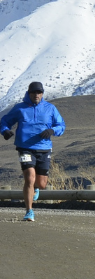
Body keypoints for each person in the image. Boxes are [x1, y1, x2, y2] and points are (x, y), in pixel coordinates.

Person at [1, 82, 65, 222]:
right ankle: (29, 211)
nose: (36, 95)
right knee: (29, 177)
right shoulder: (20, 108)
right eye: (34, 92)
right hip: (25, 147)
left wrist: (52, 130)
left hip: (44, 148)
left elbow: (61, 125)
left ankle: (36, 188)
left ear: (42, 93)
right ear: (29, 93)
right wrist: (5, 131)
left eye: (39, 92)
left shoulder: (50, 108)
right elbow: (5, 120)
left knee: (41, 184)